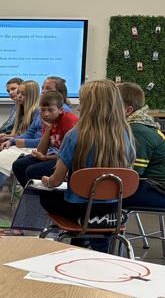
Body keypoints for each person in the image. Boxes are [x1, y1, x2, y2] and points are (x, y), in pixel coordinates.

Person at [38, 80, 135, 252]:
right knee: (96, 210)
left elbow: (55, 181)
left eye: (82, 103)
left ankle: (82, 229)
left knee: (44, 196)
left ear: (90, 107)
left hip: (80, 208)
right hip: (113, 209)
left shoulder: (74, 135)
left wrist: (46, 181)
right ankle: (96, 246)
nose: (79, 108)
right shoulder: (125, 135)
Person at [117, 82, 165, 209]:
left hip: (163, 192)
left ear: (128, 110)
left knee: (103, 196)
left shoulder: (136, 131)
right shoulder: (139, 125)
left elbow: (132, 175)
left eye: (113, 106)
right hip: (160, 187)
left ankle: (106, 225)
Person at [10, 90, 78, 188]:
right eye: (43, 110)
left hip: (70, 161)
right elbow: (41, 151)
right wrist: (48, 129)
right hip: (58, 157)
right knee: (18, 165)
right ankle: (31, 196)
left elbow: (68, 155)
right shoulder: (49, 121)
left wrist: (46, 158)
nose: (46, 114)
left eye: (50, 110)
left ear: (61, 110)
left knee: (33, 170)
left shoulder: (68, 121)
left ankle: (44, 199)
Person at [0, 80, 40, 200]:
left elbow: (35, 138)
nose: (18, 96)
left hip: (32, 148)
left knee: (1, 155)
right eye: (18, 93)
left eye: (23, 94)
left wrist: (15, 141)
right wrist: (10, 140)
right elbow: (23, 134)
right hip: (23, 145)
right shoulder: (19, 109)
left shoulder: (38, 112)